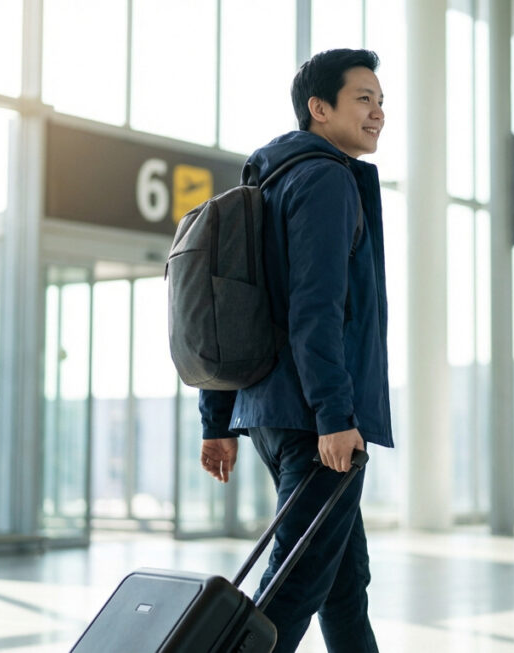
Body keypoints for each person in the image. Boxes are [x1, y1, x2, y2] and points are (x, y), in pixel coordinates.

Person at [198, 48, 390, 653]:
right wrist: (336, 417)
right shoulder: (327, 178)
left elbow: (227, 310)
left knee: (343, 584)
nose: (379, 113)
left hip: (272, 413)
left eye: (381, 101)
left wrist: (218, 420)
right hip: (315, 422)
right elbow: (317, 309)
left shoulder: (262, 184)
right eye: (364, 99)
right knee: (292, 591)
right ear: (319, 108)